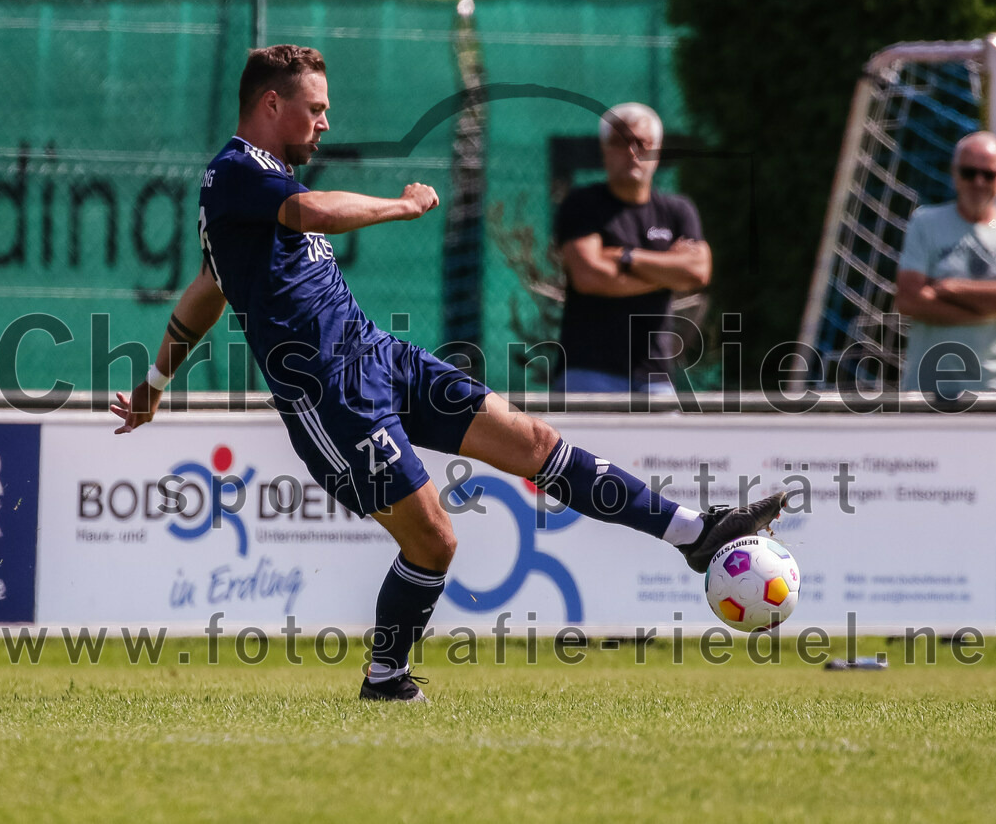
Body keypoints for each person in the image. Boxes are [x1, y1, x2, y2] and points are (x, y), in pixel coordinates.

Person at [112, 46, 786, 703]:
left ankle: (697, 533)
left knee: (534, 443)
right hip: (329, 394)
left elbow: (211, 286)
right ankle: (385, 677)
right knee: (434, 541)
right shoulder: (238, 171)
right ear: (269, 103)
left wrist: (154, 384)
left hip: (381, 357)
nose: (325, 123)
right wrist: (401, 206)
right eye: (315, 109)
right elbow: (310, 216)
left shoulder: (258, 188)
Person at [552, 102, 711, 394]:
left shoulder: (678, 210)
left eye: (642, 143)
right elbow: (589, 276)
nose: (631, 152)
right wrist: (667, 272)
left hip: (656, 375)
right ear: (604, 150)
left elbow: (698, 272)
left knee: (669, 442)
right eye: (620, 142)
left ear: (657, 151)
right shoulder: (582, 204)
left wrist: (626, 257)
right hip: (586, 371)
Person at [896, 131, 996, 397]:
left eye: (988, 174)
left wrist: (950, 288)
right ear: (954, 175)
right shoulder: (925, 222)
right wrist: (988, 308)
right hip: (926, 387)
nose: (978, 181)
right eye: (968, 172)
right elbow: (908, 299)